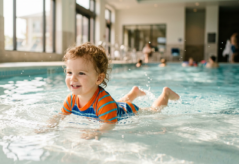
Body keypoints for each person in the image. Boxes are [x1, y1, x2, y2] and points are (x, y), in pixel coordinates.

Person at [35, 43, 180, 140]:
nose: (73, 78)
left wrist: (98, 131)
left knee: (153, 111)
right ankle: (133, 93)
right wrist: (49, 125)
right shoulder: (71, 99)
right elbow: (60, 115)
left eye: (81, 73)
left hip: (126, 110)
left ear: (99, 79)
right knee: (118, 103)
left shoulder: (104, 104)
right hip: (114, 105)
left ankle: (165, 94)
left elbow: (110, 124)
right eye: (69, 72)